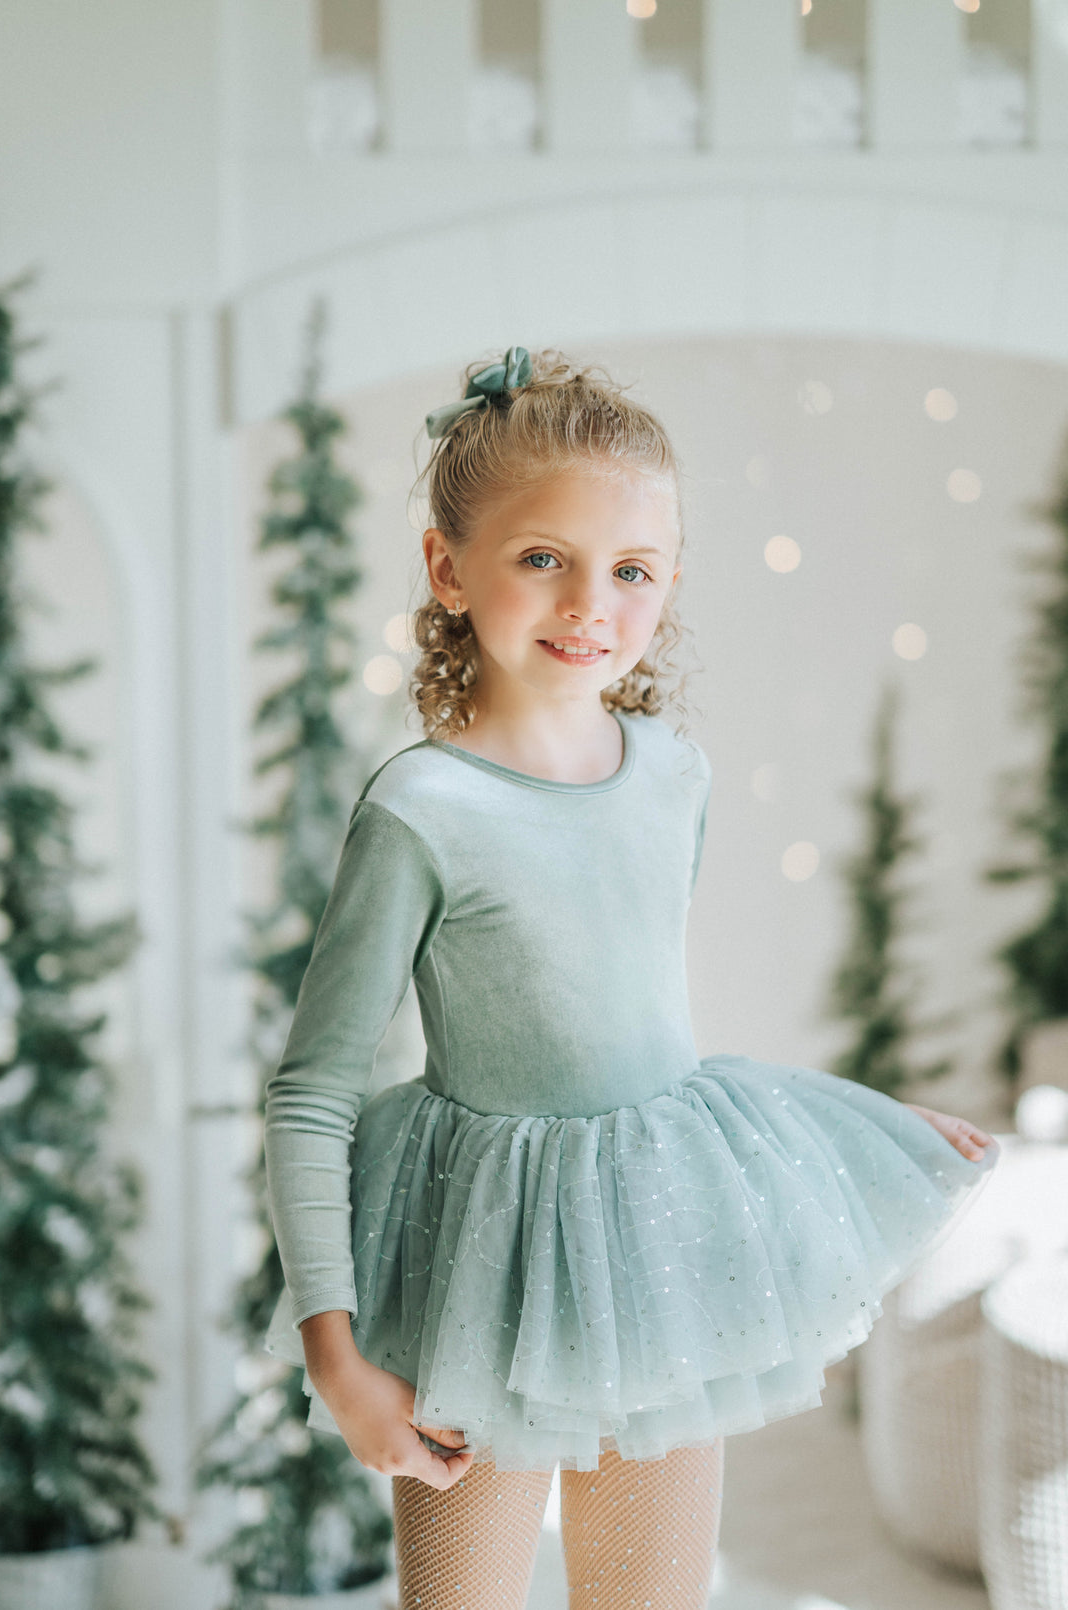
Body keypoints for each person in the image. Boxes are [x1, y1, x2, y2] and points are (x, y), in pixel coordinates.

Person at [262, 346, 1000, 1609]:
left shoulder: (672, 775)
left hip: (655, 1256)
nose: (588, 601)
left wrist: (864, 1129)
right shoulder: (422, 807)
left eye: (633, 569)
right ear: (449, 568)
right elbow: (313, 1092)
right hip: (477, 1271)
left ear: (668, 582)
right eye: (544, 555)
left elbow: (649, 1047)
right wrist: (338, 1360)